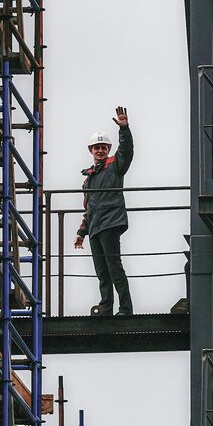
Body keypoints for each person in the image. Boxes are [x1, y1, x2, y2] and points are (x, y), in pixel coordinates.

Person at [74, 106, 134, 317]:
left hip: (111, 222)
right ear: (91, 150)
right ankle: (106, 307)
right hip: (96, 227)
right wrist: (82, 233)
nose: (100, 151)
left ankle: (126, 309)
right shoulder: (88, 179)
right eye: (96, 148)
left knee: (114, 267)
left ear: (108, 149)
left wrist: (124, 129)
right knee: (102, 271)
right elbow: (89, 208)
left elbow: (126, 151)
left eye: (103, 147)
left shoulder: (114, 166)